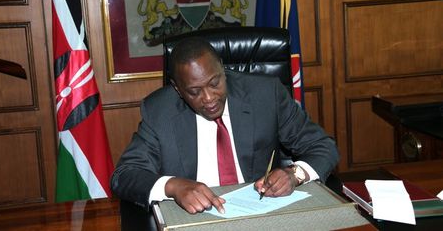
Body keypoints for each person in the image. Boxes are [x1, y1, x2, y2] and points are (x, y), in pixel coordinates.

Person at [111, 37, 339, 214]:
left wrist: (294, 174)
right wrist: (174, 186)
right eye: (194, 91)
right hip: (196, 219)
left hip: (261, 214)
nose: (209, 98)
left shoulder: (265, 95)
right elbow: (125, 175)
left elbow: (323, 146)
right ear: (178, 89)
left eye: (214, 82)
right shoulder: (160, 111)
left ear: (223, 69)